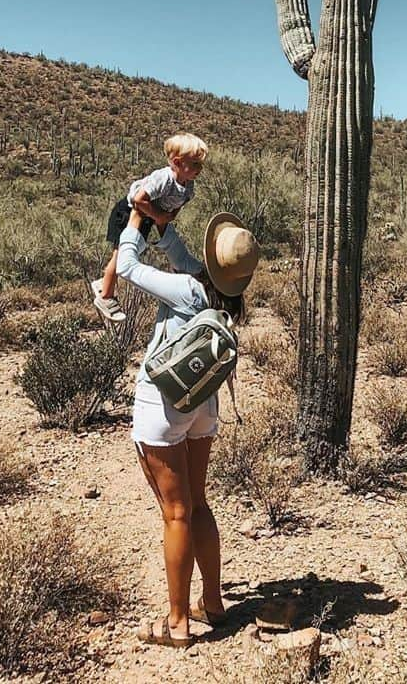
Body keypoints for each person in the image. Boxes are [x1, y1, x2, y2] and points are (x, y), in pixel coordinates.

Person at [116, 206, 261, 648]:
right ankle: (212, 603)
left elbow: (126, 267)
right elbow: (180, 255)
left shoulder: (185, 290)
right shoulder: (228, 298)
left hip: (164, 402)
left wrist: (134, 224)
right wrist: (163, 226)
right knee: (197, 503)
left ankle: (176, 621)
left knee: (174, 512)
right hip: (203, 403)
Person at [92, 132, 208, 324]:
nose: (199, 168)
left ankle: (104, 282)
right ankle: (105, 296)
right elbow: (139, 199)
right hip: (128, 213)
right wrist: (159, 216)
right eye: (195, 163)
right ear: (178, 163)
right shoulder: (163, 179)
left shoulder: (188, 186)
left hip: (148, 218)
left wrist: (164, 220)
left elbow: (177, 205)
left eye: (201, 164)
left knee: (131, 252)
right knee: (120, 254)